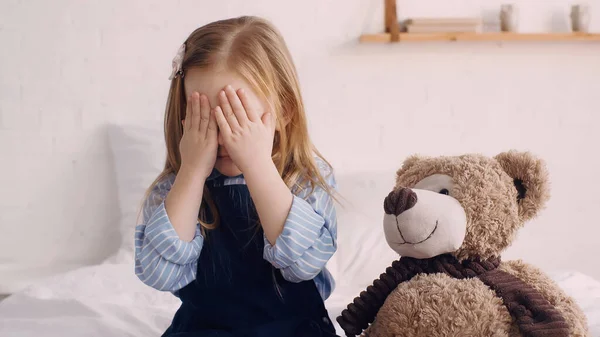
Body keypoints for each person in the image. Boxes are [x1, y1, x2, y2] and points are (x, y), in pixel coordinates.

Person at [134, 16, 339, 337]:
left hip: (294, 328)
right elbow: (160, 274)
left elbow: (305, 264)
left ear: (283, 111)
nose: (223, 137)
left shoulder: (304, 179)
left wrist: (256, 163)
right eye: (205, 120)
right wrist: (191, 172)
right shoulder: (175, 188)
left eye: (237, 117)